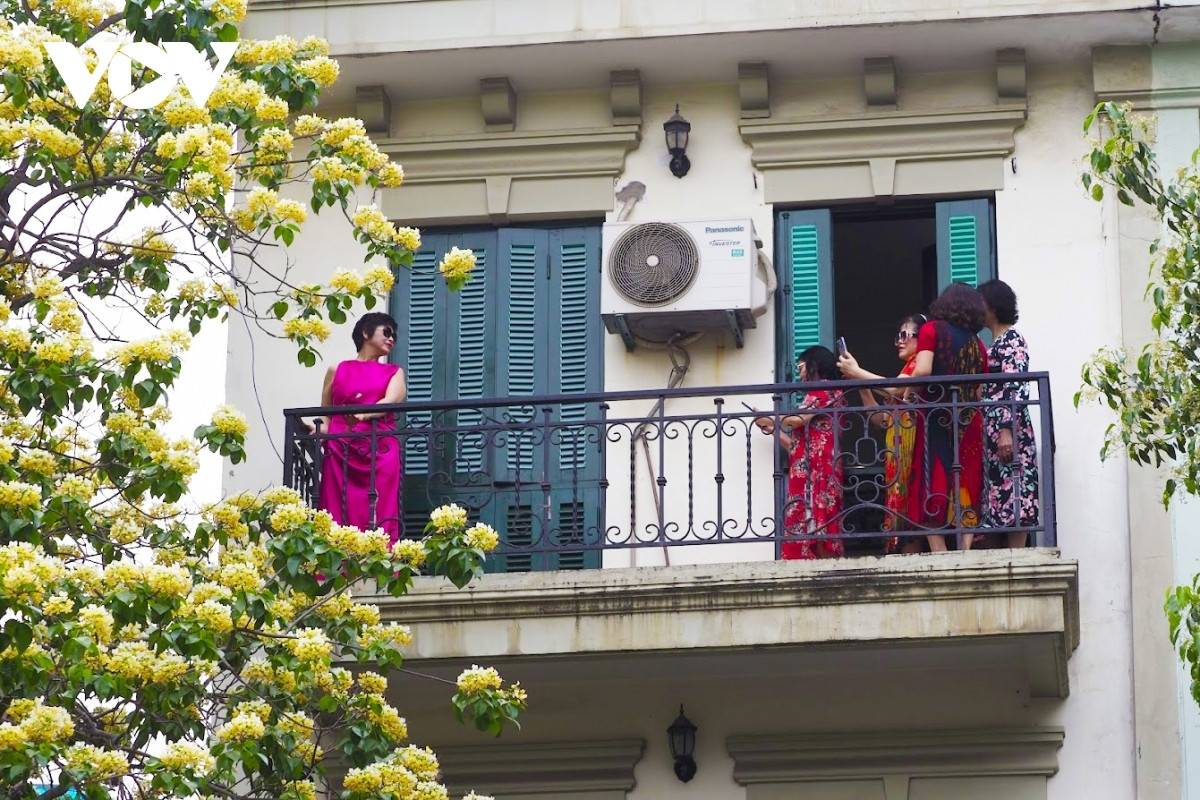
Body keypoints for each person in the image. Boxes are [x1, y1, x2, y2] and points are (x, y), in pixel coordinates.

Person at [314, 312, 407, 544]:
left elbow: (390, 401)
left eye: (394, 335)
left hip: (380, 449)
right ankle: (336, 560)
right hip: (340, 449)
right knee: (336, 504)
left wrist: (364, 413)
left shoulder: (394, 372)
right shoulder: (337, 370)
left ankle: (379, 556)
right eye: (386, 332)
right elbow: (326, 413)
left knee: (381, 504)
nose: (391, 338)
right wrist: (318, 430)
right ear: (366, 333)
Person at [908, 283, 988, 552]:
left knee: (931, 477)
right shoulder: (978, 345)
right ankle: (966, 548)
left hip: (936, 415)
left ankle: (939, 550)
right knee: (966, 479)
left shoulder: (932, 329)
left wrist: (909, 390)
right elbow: (979, 389)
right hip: (969, 419)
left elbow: (923, 370)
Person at [837, 314, 926, 553]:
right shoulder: (907, 367)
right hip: (896, 452)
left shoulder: (919, 364)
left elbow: (896, 388)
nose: (900, 340)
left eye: (906, 334)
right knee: (902, 511)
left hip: (912, 448)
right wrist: (862, 386)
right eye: (899, 335)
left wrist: (858, 372)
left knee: (911, 511)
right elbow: (881, 419)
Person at [753, 345, 844, 560]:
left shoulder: (824, 389)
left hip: (819, 470)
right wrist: (774, 430)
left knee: (817, 521)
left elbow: (796, 420)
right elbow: (798, 446)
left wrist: (770, 418)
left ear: (815, 365)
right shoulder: (820, 393)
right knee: (811, 520)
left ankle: (825, 570)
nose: (800, 373)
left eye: (802, 367)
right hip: (810, 469)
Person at [978, 279, 1038, 548]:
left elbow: (1015, 387)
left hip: (1008, 429)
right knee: (999, 491)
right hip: (994, 430)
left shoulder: (1013, 340)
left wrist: (1006, 431)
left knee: (1015, 488)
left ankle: (1017, 553)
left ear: (992, 306)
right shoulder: (997, 343)